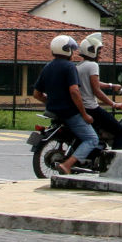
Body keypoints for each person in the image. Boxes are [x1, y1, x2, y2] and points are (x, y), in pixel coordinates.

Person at [30, 35, 99, 175]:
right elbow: (74, 91)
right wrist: (84, 114)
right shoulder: (69, 67)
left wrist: (51, 101)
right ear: (66, 50)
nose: (73, 53)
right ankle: (68, 165)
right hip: (69, 113)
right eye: (71, 50)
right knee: (92, 139)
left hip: (53, 112)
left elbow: (36, 94)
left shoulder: (47, 67)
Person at [75, 33, 122, 149]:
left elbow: (93, 83)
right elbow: (96, 90)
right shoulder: (93, 65)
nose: (100, 55)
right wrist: (114, 104)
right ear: (91, 51)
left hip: (82, 107)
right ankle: (114, 161)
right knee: (121, 131)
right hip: (91, 108)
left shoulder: (79, 66)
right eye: (98, 52)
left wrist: (110, 85)